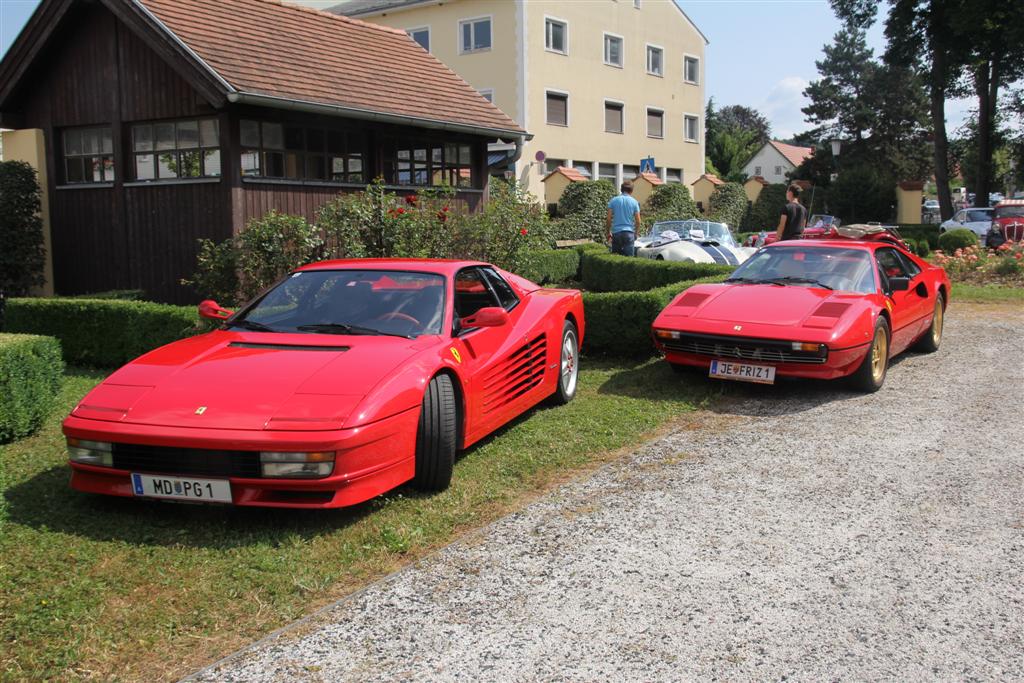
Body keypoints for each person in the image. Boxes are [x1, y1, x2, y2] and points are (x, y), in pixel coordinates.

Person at [606, 180, 641, 256]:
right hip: (629, 233)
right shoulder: (635, 202)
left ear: (621, 189)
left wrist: (608, 232)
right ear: (631, 191)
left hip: (616, 233)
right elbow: (638, 221)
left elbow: (608, 219)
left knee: (616, 259)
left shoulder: (613, 200)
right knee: (628, 261)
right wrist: (636, 233)